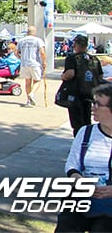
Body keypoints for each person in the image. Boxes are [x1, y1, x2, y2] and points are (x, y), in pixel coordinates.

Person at [55, 83, 112, 232]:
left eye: (98, 104)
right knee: (67, 226)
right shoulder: (85, 132)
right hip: (83, 197)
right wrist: (79, 180)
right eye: (92, 102)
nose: (93, 107)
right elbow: (72, 165)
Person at [61, 35, 103, 136]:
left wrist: (63, 76)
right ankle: (86, 139)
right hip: (89, 93)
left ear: (75, 45)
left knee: (77, 122)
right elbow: (100, 76)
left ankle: (79, 142)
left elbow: (70, 74)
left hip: (75, 94)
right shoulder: (94, 59)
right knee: (86, 119)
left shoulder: (72, 58)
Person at [17, 25, 46, 108]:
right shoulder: (38, 40)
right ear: (34, 32)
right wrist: (44, 61)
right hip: (35, 63)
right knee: (37, 80)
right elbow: (42, 52)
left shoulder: (21, 40)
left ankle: (28, 101)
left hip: (24, 63)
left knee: (27, 82)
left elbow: (16, 52)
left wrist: (20, 58)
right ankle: (32, 94)